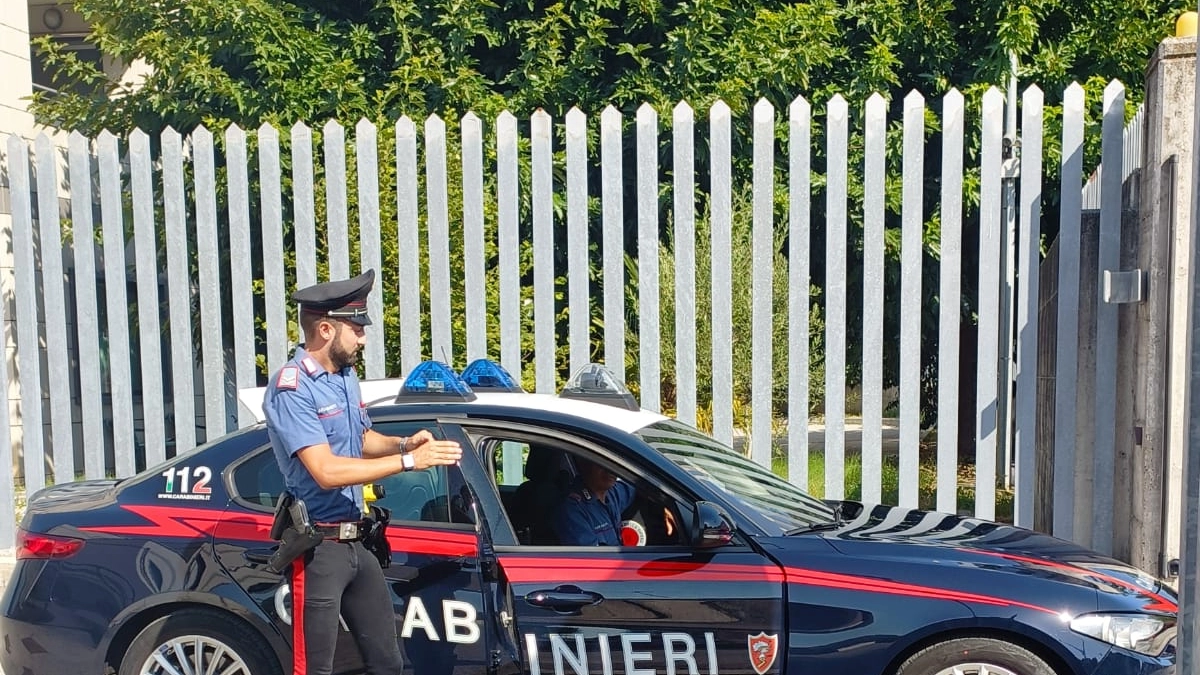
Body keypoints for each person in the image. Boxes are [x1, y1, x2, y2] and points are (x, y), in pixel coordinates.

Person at [263, 268, 463, 675]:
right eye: (356, 328)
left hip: (357, 541)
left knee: (386, 664)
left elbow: (361, 438)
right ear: (325, 329)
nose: (363, 337)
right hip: (317, 548)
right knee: (315, 669)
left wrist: (406, 443)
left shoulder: (343, 377)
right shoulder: (292, 387)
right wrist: (408, 464)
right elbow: (325, 470)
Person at [552, 457, 638, 546]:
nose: (610, 469)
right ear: (584, 464)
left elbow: (640, 479)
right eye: (602, 463)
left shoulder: (612, 493)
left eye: (614, 463)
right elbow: (591, 557)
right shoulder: (572, 510)